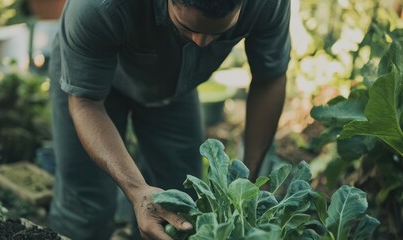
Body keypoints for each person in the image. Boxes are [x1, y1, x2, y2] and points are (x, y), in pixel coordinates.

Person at [47, 0, 291, 239]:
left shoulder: (268, 3)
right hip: (90, 83)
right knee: (85, 206)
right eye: (189, 29)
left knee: (178, 203)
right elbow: (86, 103)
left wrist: (245, 184)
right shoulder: (97, 6)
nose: (201, 43)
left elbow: (269, 79)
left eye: (217, 33)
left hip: (173, 87)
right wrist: (137, 190)